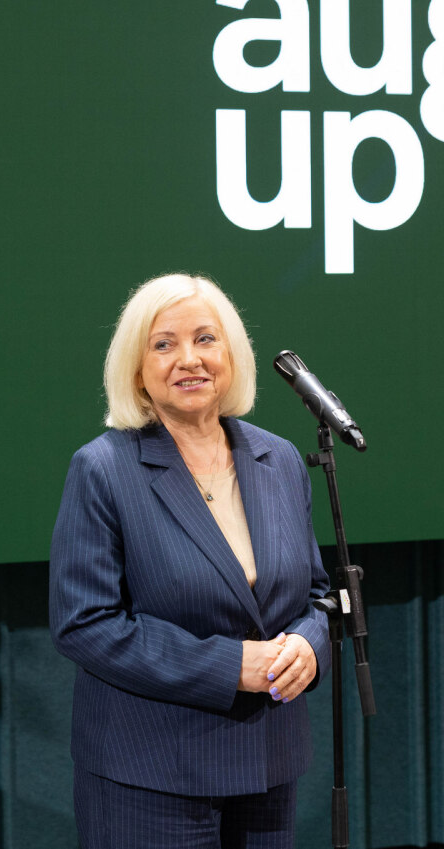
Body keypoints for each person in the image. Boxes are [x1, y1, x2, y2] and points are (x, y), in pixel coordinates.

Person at [50, 273, 332, 849]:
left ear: (232, 354)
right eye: (164, 344)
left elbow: (318, 595)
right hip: (152, 771)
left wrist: (309, 645)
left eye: (206, 339)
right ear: (137, 370)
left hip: (268, 765)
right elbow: (85, 624)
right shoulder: (103, 469)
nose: (190, 359)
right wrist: (231, 666)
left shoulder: (278, 458)